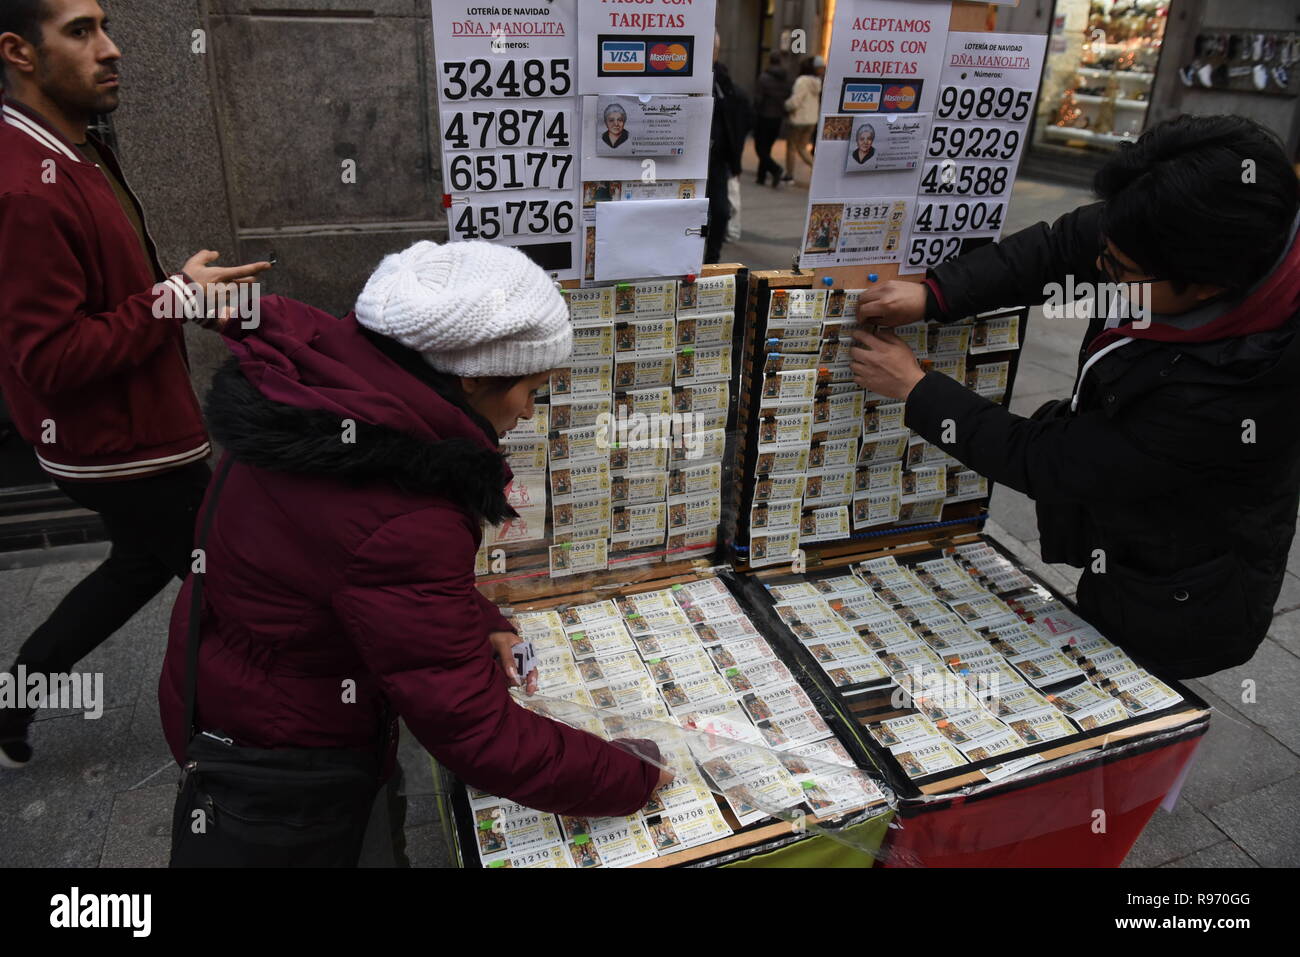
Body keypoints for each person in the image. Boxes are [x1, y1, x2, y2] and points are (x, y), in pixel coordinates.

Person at [157, 240, 670, 866]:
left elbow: (350, 569)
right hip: (284, 761)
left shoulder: (322, 384)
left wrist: (475, 620)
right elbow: (477, 733)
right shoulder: (401, 501)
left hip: (234, 679)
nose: (529, 413)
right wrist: (629, 776)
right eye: (531, 389)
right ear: (475, 375)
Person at [849, 114, 1300, 679]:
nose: (1103, 274)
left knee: (1132, 688)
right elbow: (1063, 249)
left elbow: (1054, 460)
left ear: (1208, 286)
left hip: (1186, 590)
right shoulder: (1170, 222)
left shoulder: (1244, 390)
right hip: (1119, 529)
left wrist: (917, 390)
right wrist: (937, 293)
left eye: (1121, 270)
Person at [0, 0, 269, 769]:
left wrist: (189, 297)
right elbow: (48, 357)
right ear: (19, 51)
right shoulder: (26, 185)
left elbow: (109, 295)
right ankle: (235, 748)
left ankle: (12, 703)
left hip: (137, 428)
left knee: (138, 567)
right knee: (238, 583)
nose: (112, 49)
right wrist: (174, 297)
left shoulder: (71, 146)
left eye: (107, 25)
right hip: (125, 447)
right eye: (81, 32)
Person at [706, 32, 751, 264]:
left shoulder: (724, 84)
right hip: (689, 160)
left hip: (717, 161)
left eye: (713, 49)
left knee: (721, 212)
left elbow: (736, 125)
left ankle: (711, 259)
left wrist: (735, 162)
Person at [784, 55, 823, 184]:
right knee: (802, 148)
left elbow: (796, 100)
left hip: (798, 119)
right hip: (811, 120)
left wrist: (786, 105)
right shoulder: (817, 83)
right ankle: (818, 169)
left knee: (791, 147)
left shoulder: (802, 81)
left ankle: (789, 175)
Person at [753, 52, 790, 187]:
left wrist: (755, 111)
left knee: (760, 148)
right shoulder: (785, 79)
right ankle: (761, 177)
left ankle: (775, 169)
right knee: (767, 148)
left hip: (764, 116)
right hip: (778, 117)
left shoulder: (764, 78)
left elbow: (758, 99)